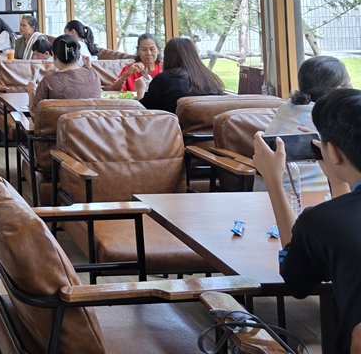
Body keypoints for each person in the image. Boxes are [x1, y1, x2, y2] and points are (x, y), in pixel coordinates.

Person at [252, 88, 361, 354]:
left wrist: (274, 182)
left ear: (333, 152)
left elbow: (297, 280)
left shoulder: (322, 221)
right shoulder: (333, 221)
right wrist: (337, 178)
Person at [264, 56, 351, 192]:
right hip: (320, 193)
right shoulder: (331, 118)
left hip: (272, 193)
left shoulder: (287, 109)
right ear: (339, 89)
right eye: (349, 83)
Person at [137, 37, 225, 114]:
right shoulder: (210, 78)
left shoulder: (164, 79)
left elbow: (146, 112)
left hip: (174, 127)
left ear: (168, 57)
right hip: (211, 127)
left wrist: (140, 90)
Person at [29, 34, 101, 106]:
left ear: (54, 56)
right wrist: (89, 68)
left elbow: (35, 110)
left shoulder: (49, 80)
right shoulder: (93, 74)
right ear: (78, 55)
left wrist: (31, 90)